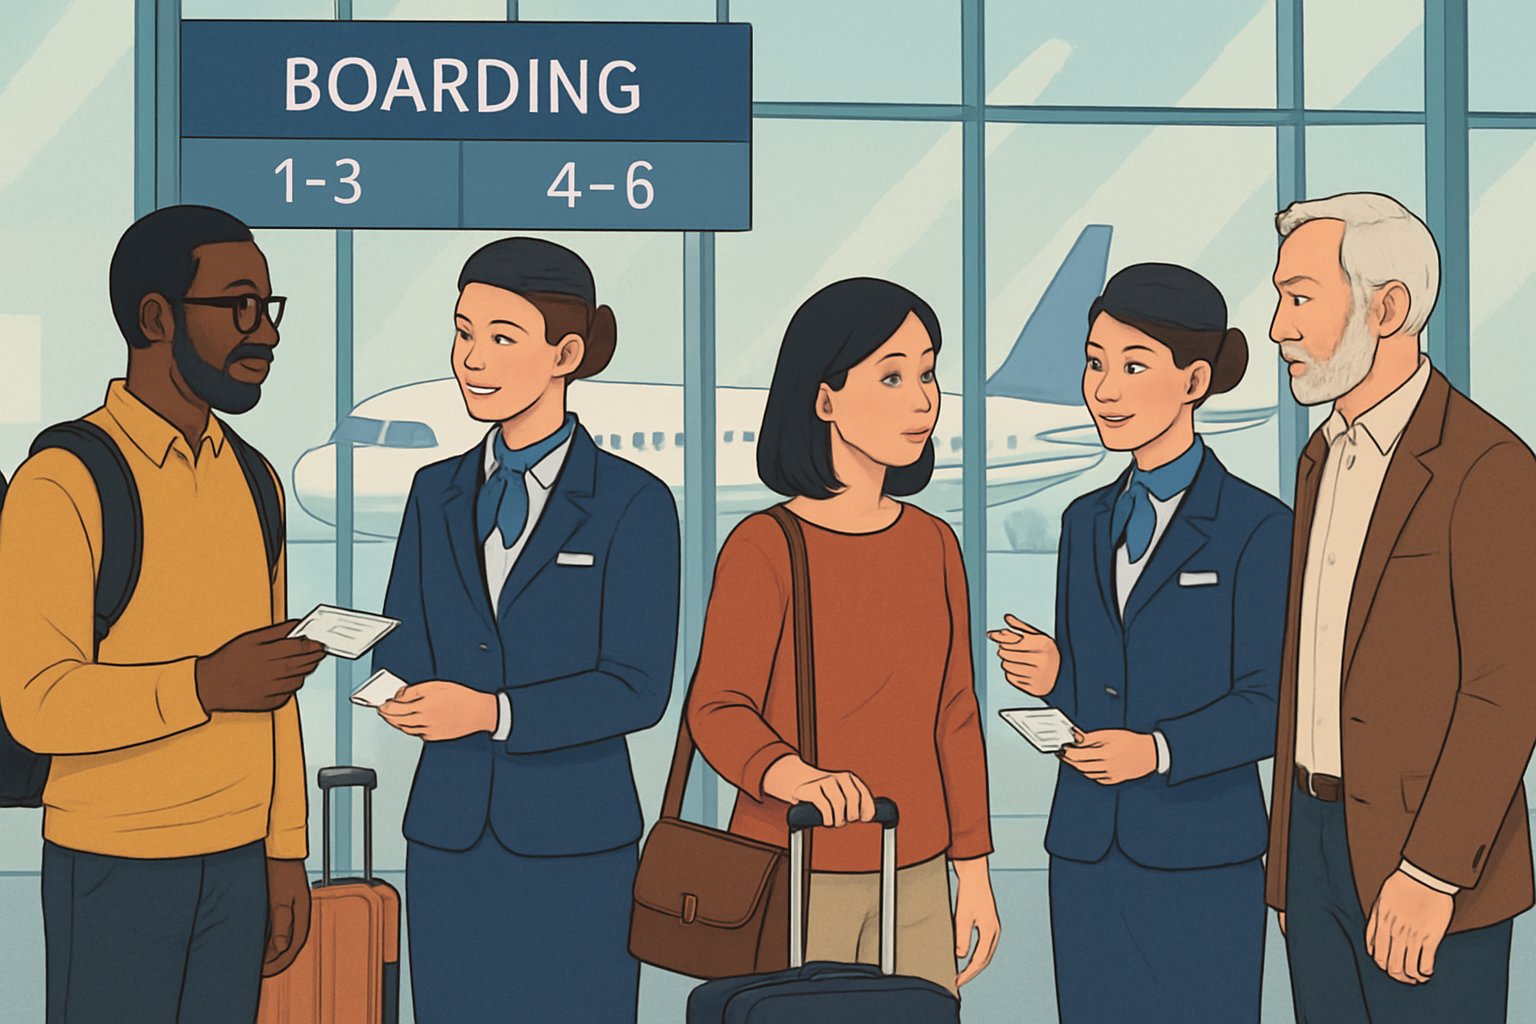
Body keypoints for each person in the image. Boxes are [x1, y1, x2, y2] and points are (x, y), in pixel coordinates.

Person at [0, 205, 320, 1023]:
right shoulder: (63, 483)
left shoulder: (256, 480)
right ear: (155, 317)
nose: (266, 334)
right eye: (239, 306)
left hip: (240, 865)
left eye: (269, 308)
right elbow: (36, 702)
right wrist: (205, 685)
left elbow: (274, 688)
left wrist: (285, 853)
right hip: (115, 864)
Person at [370, 237, 680, 1023]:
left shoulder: (632, 502)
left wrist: (489, 712)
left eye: (502, 338)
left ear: (565, 353)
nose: (471, 359)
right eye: (463, 331)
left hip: (577, 843)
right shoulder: (433, 491)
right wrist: (395, 689)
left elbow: (637, 689)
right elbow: (402, 640)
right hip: (447, 838)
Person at [992, 263, 1291, 1023]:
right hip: (1087, 850)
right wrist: (1058, 677)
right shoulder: (1084, 521)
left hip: (1201, 856)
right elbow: (1107, 682)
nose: (1105, 389)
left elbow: (1270, 705)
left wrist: (1155, 751)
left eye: (1133, 366)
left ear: (1194, 381)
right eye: (1095, 363)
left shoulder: (1260, 528)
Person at [1264, 192, 1536, 1023]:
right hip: (1315, 850)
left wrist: (1431, 874)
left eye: (1300, 297)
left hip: (1426, 869)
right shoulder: (1322, 456)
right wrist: (1288, 867)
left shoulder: (1488, 466)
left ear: (1389, 308)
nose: (1279, 326)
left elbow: (1509, 690)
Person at [686, 277, 1000, 996]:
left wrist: (974, 872)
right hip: (794, 870)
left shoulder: (934, 545)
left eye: (927, 372)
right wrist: (797, 776)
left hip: (916, 875)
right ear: (823, 398)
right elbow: (717, 708)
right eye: (891, 375)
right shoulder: (765, 546)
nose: (923, 398)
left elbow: (955, 715)